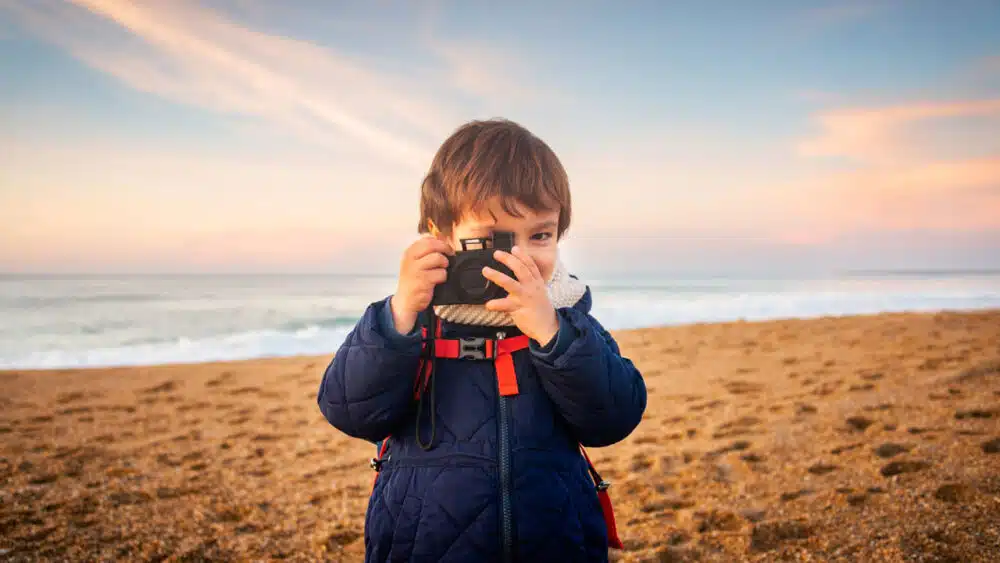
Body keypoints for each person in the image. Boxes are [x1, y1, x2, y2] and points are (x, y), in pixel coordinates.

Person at [317, 118, 647, 563]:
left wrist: (552, 334)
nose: (521, 257)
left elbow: (615, 418)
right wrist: (398, 317)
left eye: (541, 235)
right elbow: (349, 410)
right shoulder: (412, 318)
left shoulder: (565, 319)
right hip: (426, 542)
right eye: (495, 239)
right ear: (440, 234)